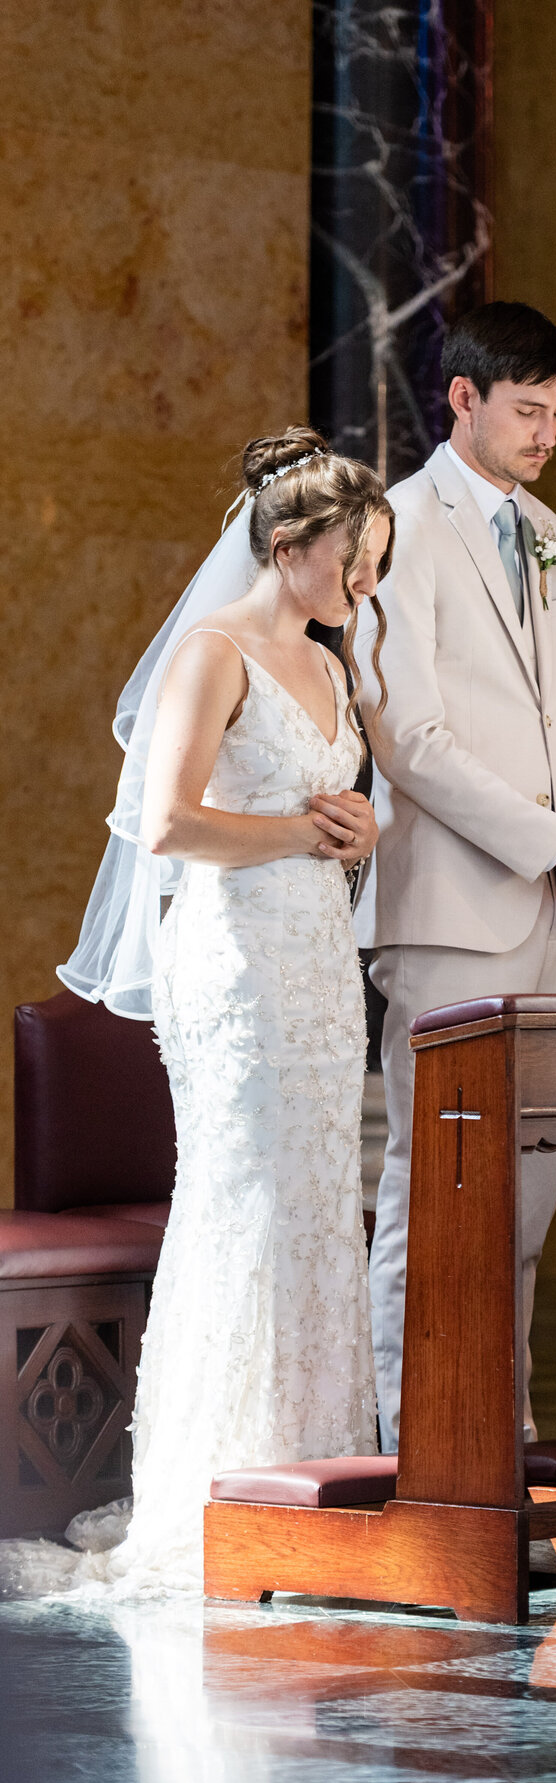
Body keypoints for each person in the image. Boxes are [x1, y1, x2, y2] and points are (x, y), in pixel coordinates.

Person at [1, 429, 393, 1597]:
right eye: (353, 560)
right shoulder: (213, 652)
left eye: (375, 561)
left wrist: (358, 834)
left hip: (320, 956)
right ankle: (222, 1489)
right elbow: (164, 823)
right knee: (250, 1198)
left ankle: (312, 1482)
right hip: (231, 960)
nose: (366, 583)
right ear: (288, 547)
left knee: (322, 1200)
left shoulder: (332, 665)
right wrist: (296, 834)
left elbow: (339, 811)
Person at [355, 302, 556, 1451]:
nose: (546, 435)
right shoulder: (398, 526)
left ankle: (500, 1448)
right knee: (440, 1196)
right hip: (446, 909)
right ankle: (409, 1447)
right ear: (463, 398)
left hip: (552, 913)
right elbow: (409, 739)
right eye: (528, 412)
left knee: (527, 1206)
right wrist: (551, 841)